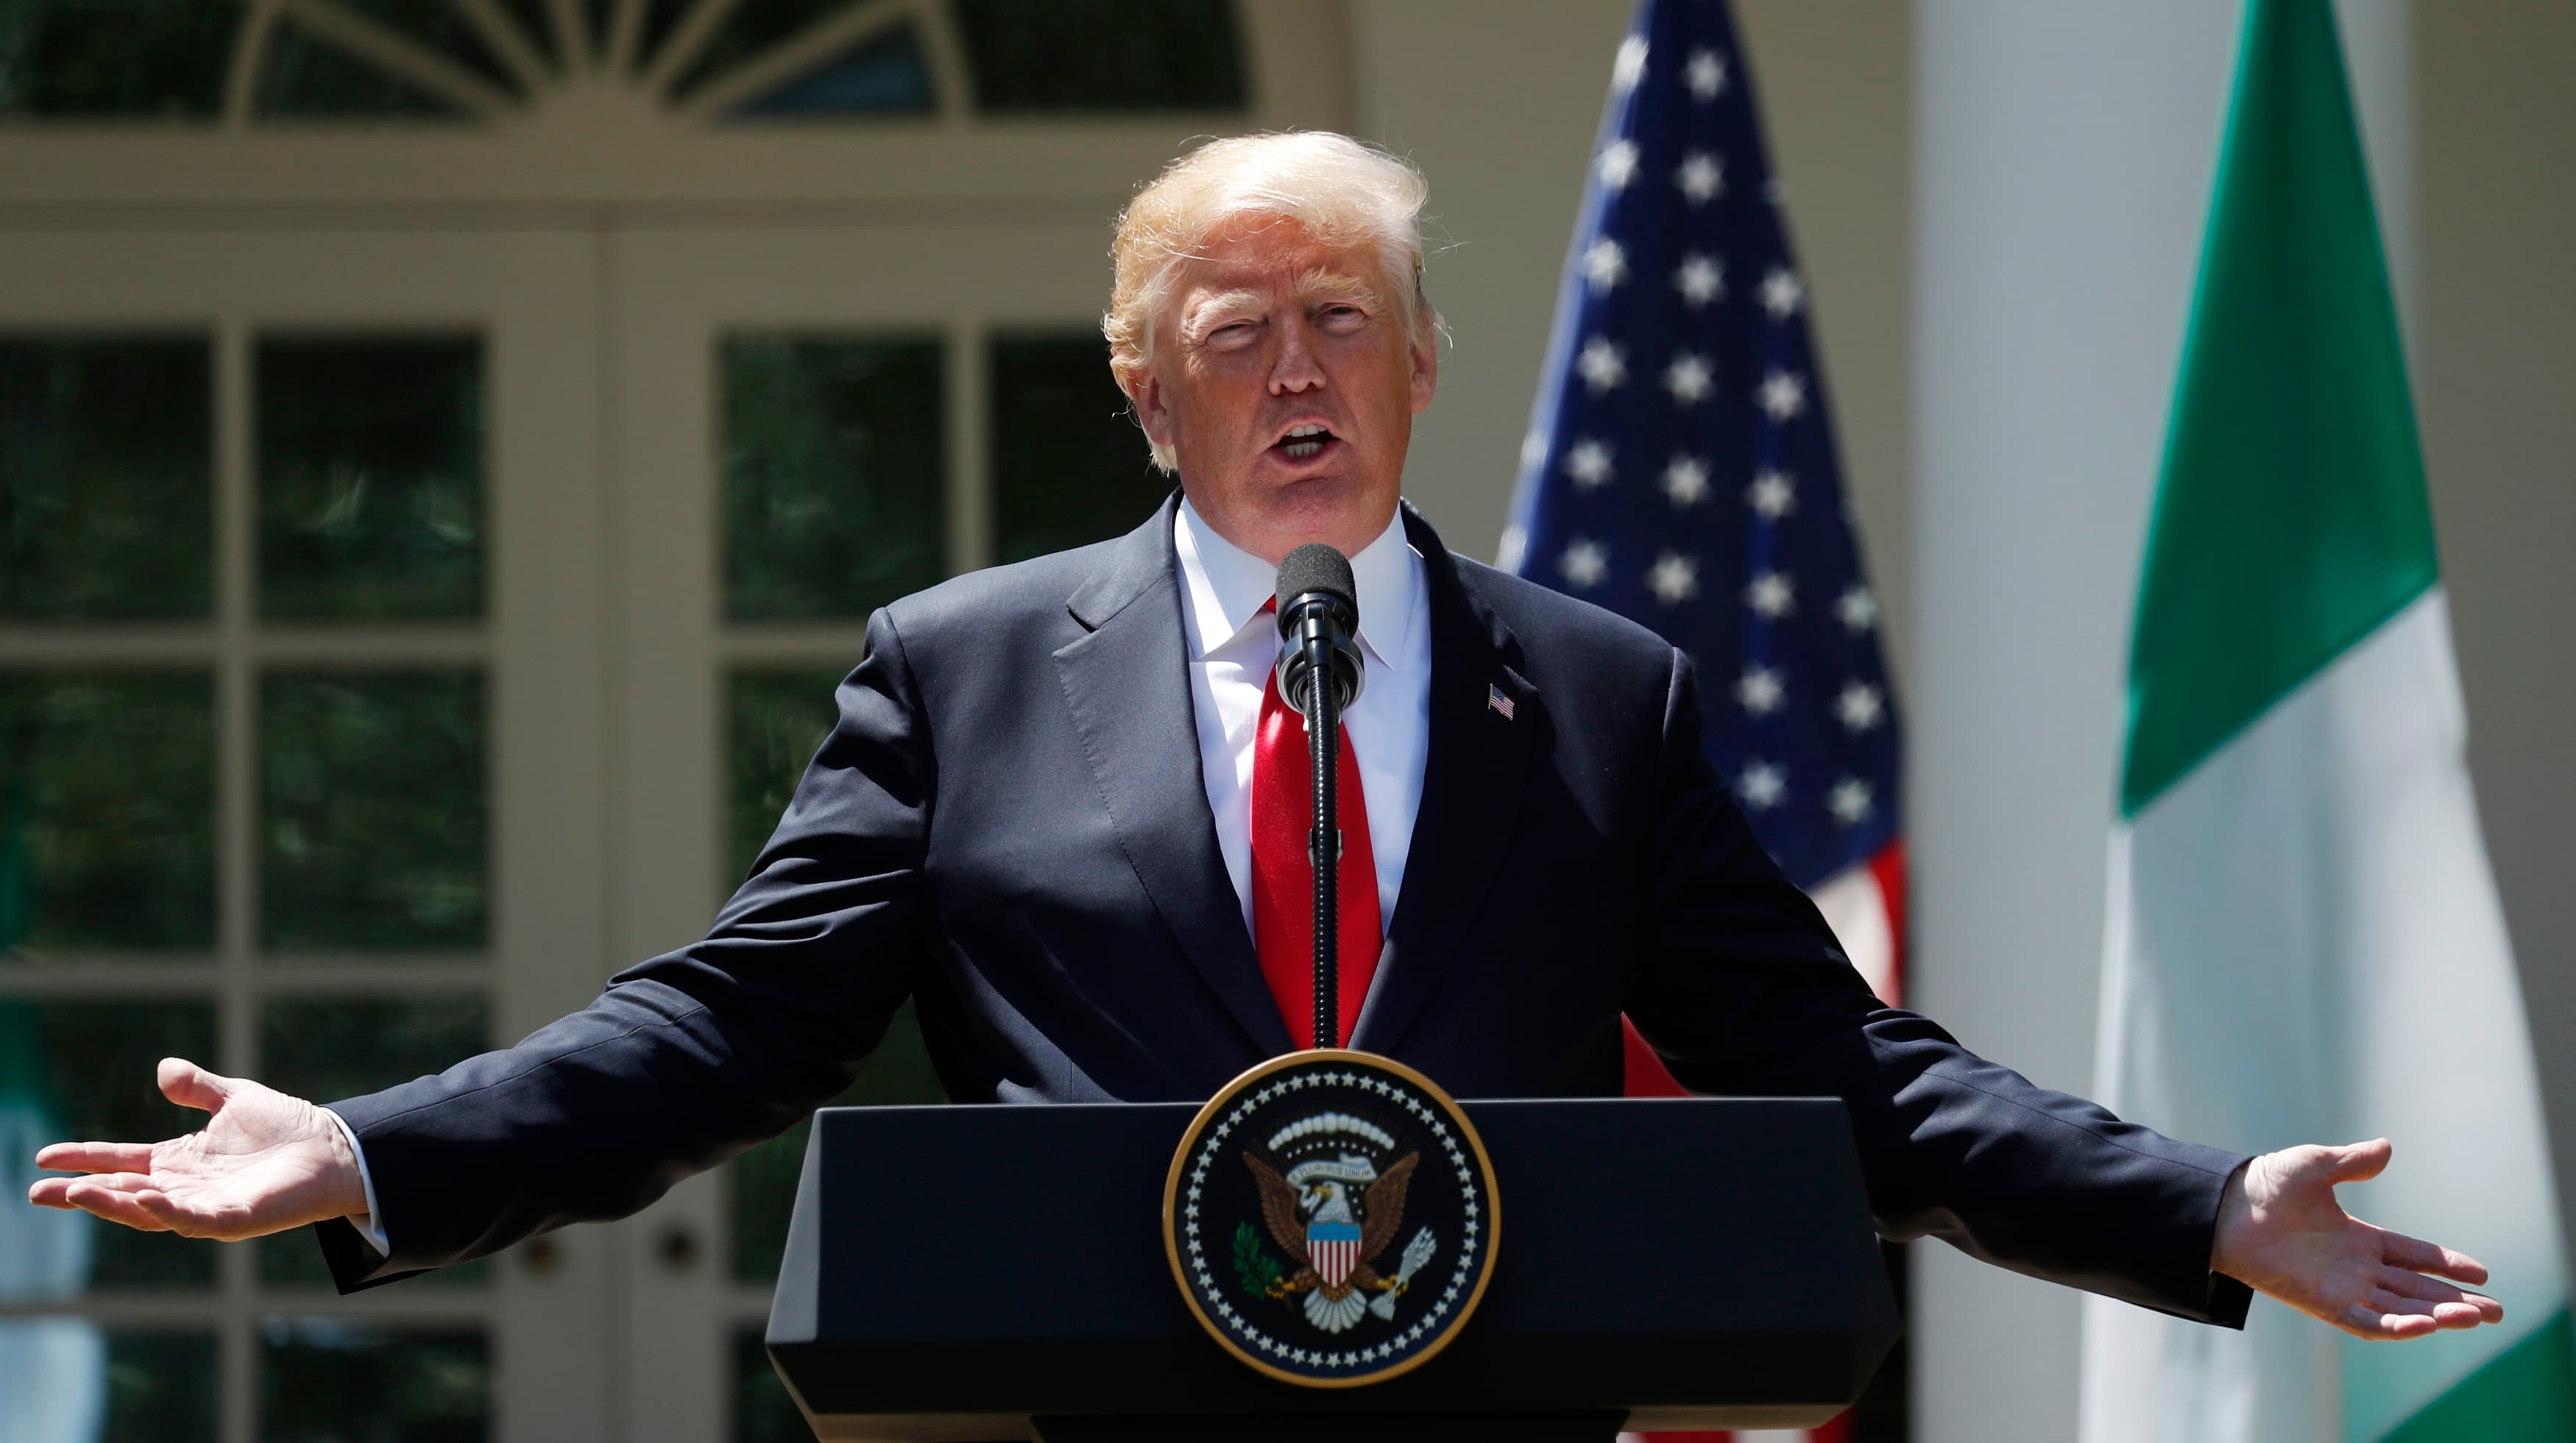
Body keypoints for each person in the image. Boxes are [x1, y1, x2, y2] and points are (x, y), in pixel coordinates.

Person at [27, 132, 2500, 1341]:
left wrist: (2192, 1201)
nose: (1297, 364)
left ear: (1423, 367)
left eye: (1343, 316)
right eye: (1235, 325)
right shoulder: (967, 668)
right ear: (1143, 391)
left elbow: (1839, 1072)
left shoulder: (1595, 692)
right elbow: (729, 1021)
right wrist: (364, 1148)